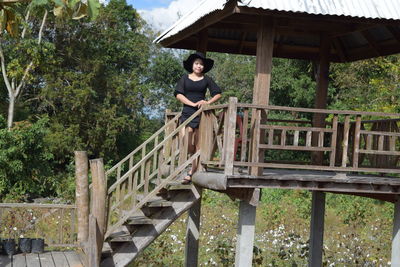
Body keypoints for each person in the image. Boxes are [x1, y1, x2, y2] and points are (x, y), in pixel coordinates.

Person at [174, 52, 222, 184]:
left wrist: (207, 102)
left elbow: (218, 93)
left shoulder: (207, 79)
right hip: (188, 112)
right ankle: (189, 164)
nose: (199, 66)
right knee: (187, 137)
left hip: (202, 114)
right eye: (196, 63)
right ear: (192, 65)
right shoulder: (184, 78)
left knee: (198, 144)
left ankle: (191, 171)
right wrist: (192, 104)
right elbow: (178, 94)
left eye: (201, 64)